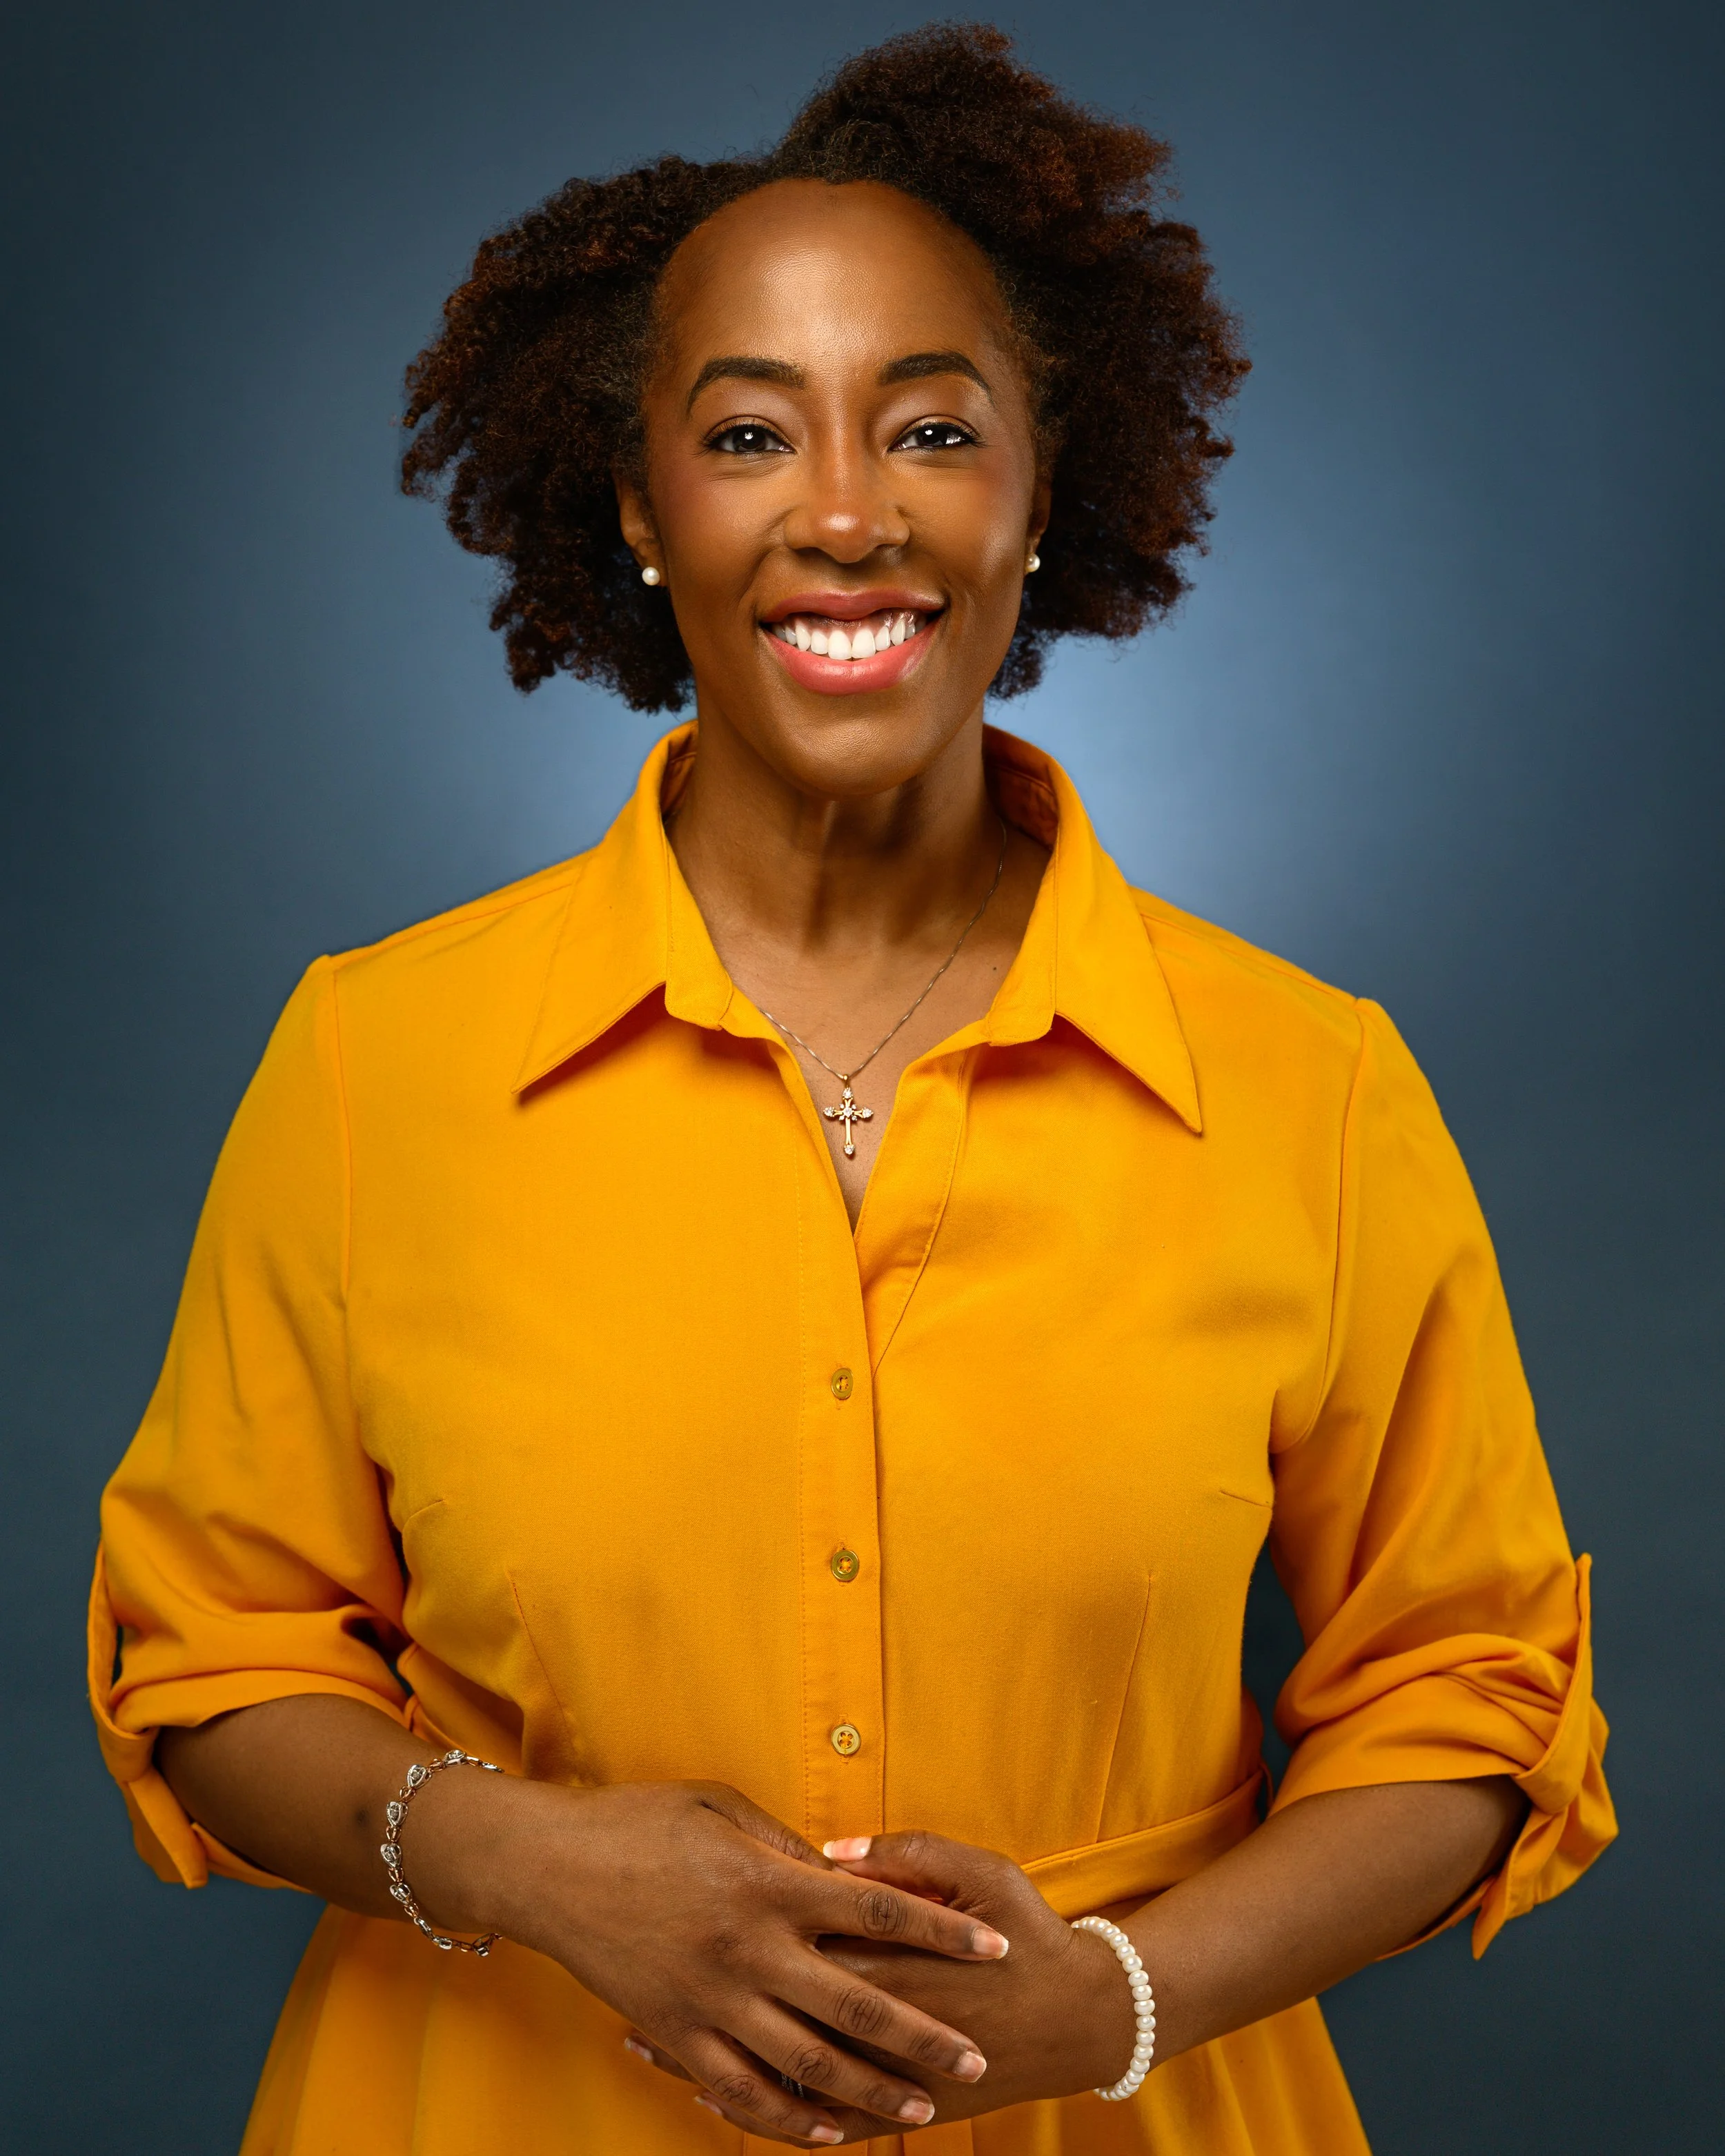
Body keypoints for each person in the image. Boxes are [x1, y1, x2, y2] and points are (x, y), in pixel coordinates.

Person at [90, 24, 1615, 2155]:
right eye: (745, 433)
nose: (840, 512)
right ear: (640, 506)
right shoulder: (372, 1058)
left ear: (1035, 493)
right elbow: (212, 1657)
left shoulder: (1314, 1086)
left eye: (929, 428)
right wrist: (531, 1860)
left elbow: (1473, 1693)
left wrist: (1120, 1998)